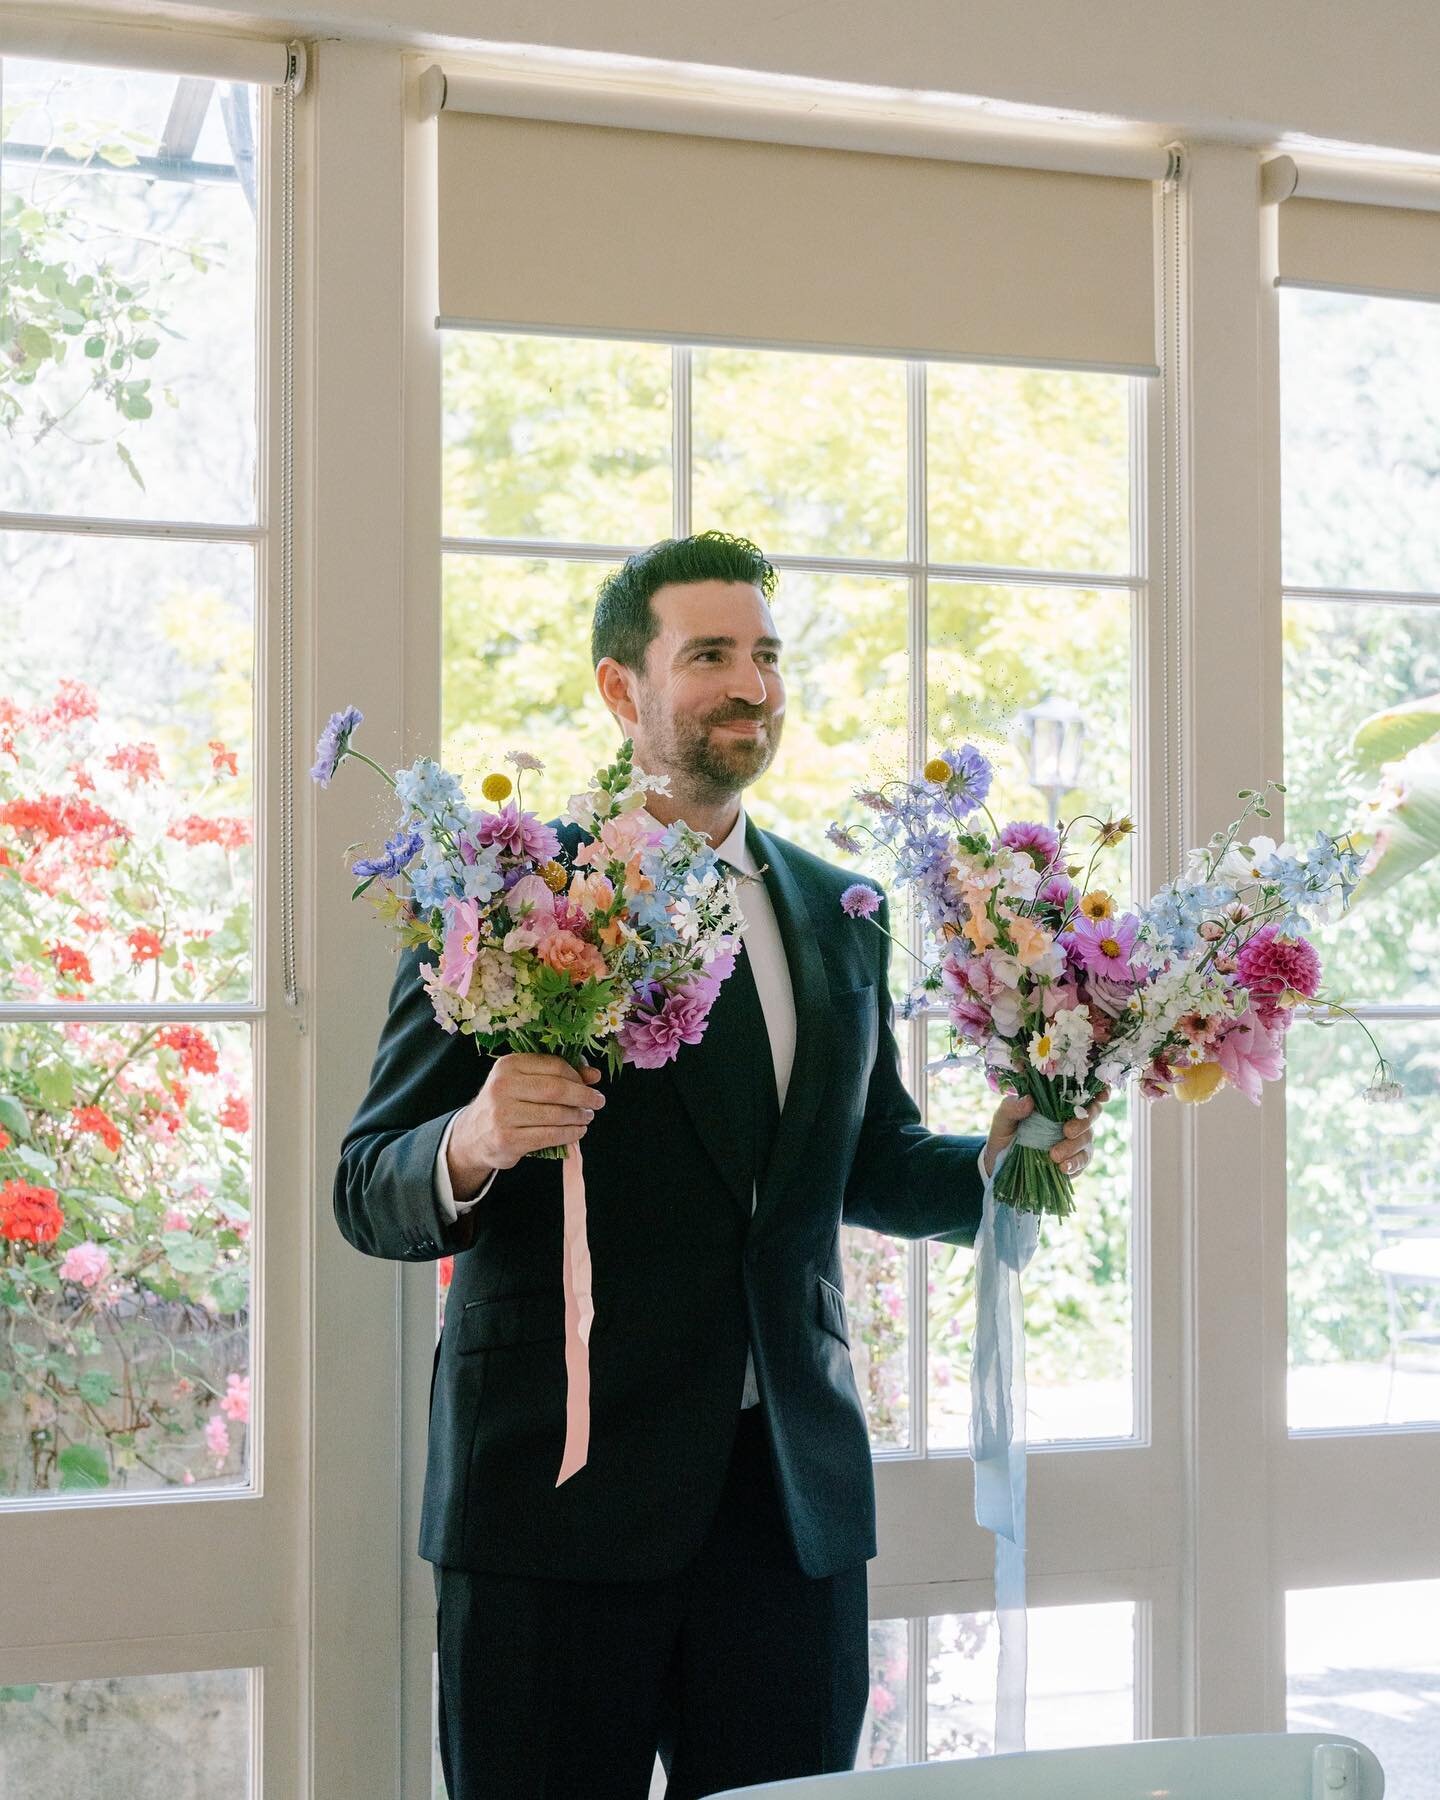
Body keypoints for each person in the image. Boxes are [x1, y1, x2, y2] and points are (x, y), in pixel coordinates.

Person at [332, 531, 1107, 1799]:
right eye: (710, 655)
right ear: (620, 688)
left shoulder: (842, 908)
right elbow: (370, 1184)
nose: (752, 686)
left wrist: (999, 1166)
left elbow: (865, 1164)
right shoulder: (509, 894)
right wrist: (475, 1136)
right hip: (553, 1503)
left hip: (789, 1515)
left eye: (766, 655)